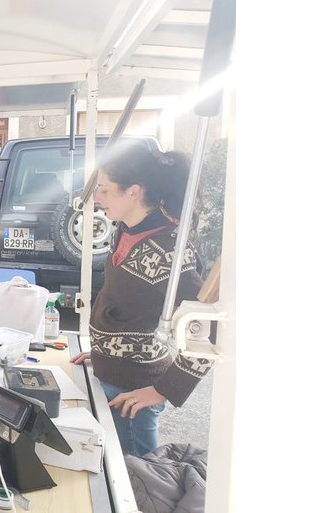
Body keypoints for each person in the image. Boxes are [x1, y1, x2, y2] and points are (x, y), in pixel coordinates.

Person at [69, 144, 212, 457]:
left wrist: (164, 390)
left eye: (104, 190)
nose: (98, 199)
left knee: (138, 483)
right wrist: (105, 352)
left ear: (133, 191)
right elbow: (127, 303)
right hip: (112, 375)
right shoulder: (125, 229)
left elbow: (209, 331)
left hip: (133, 393)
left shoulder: (170, 252)